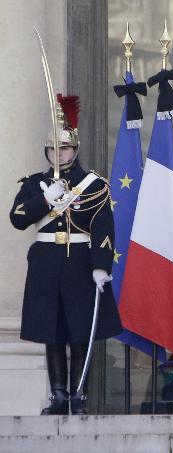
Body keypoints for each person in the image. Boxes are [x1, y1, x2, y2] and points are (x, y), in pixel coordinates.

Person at [10, 94, 121, 415]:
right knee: (52, 330)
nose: (58, 154)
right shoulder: (35, 184)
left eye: (64, 148)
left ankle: (78, 395)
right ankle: (58, 395)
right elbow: (18, 218)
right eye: (53, 149)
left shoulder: (94, 185)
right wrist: (46, 200)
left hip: (80, 263)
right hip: (46, 263)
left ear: (75, 149)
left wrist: (101, 266)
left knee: (80, 330)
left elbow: (103, 227)